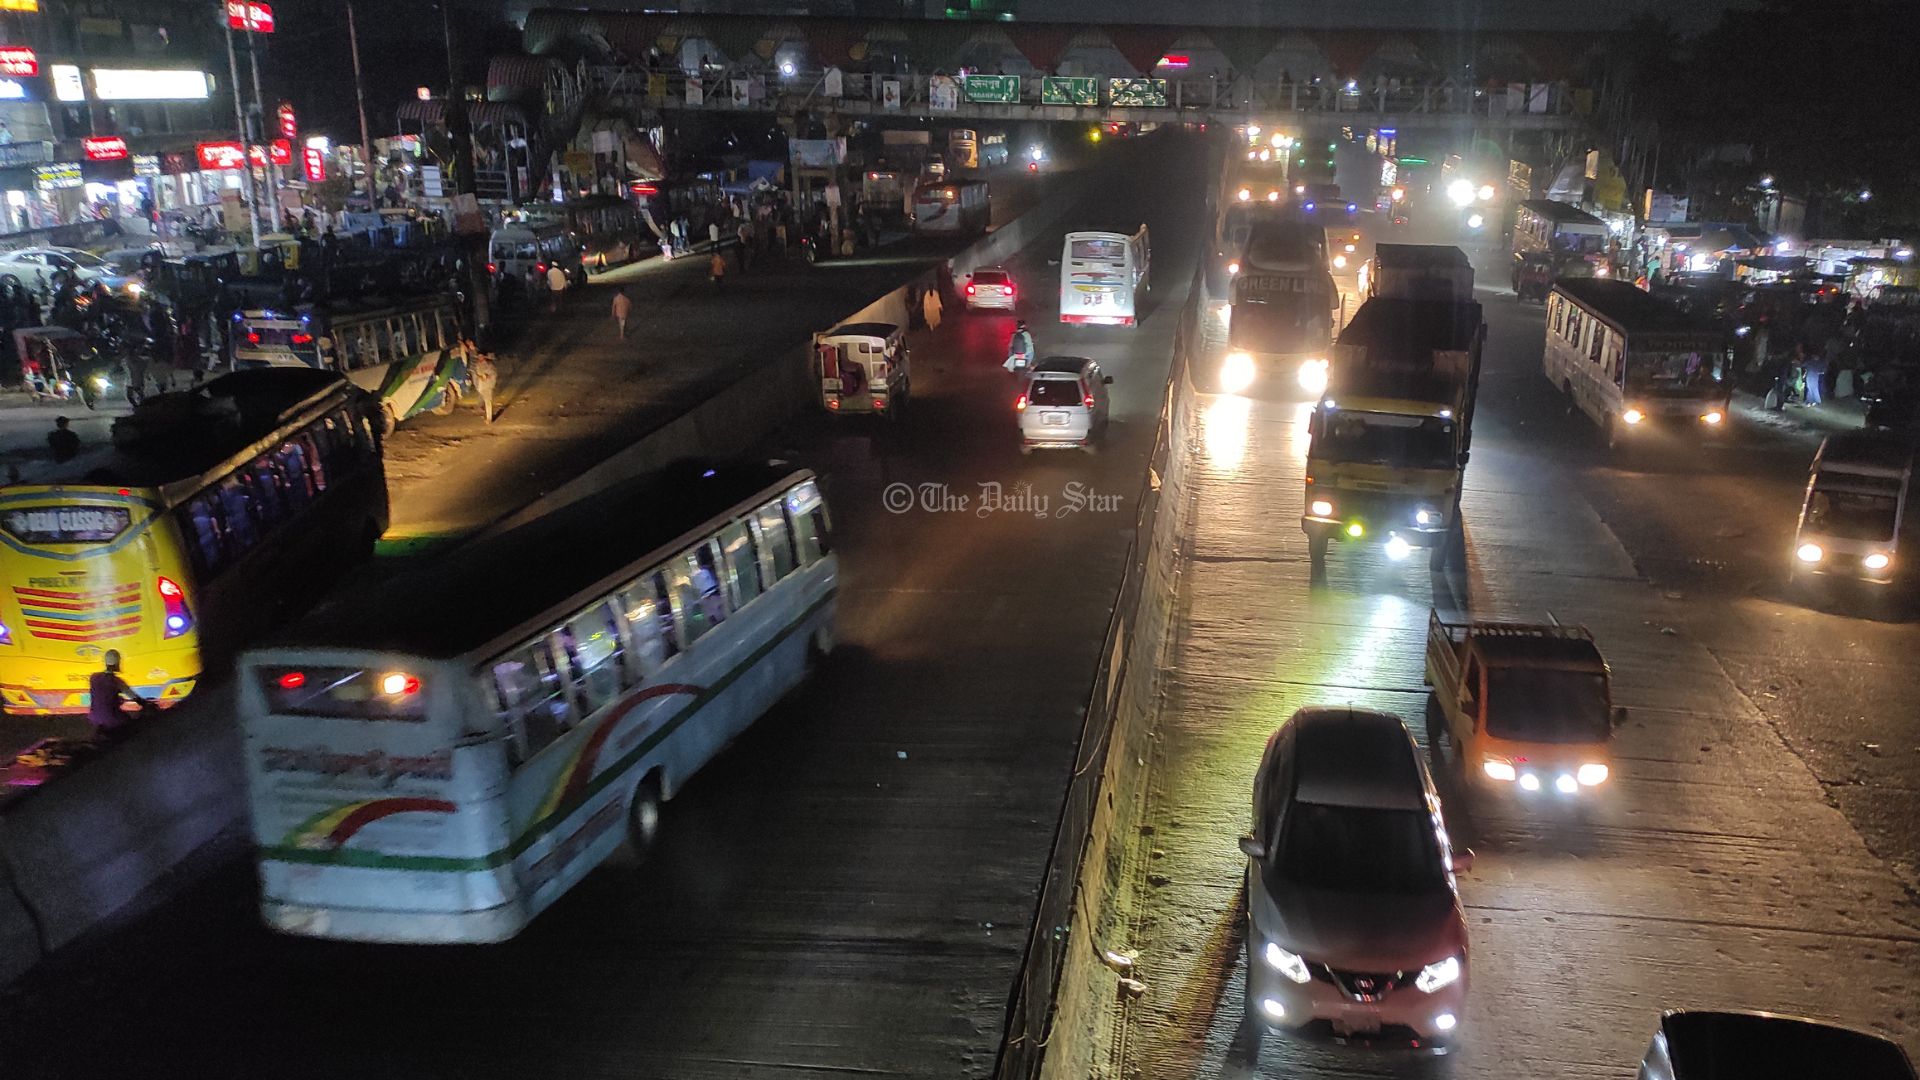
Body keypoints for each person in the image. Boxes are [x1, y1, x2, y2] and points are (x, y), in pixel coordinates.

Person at [88, 649, 150, 739]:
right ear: (118, 663)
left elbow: (101, 695)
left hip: (94, 718)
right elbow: (134, 697)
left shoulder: (94, 677)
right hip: (112, 718)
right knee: (133, 728)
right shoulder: (117, 681)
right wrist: (144, 703)